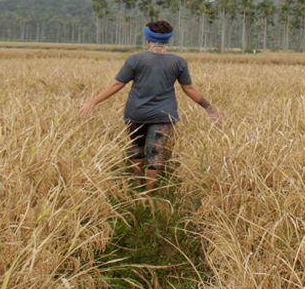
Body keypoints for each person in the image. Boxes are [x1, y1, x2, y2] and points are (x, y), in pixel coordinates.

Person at [79, 20, 220, 188]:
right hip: (163, 115)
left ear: (147, 39)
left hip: (135, 113)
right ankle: (150, 193)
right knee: (156, 152)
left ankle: (137, 190)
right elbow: (188, 88)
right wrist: (209, 108)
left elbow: (117, 84)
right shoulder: (179, 62)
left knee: (136, 149)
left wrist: (92, 102)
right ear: (168, 40)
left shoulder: (135, 60)